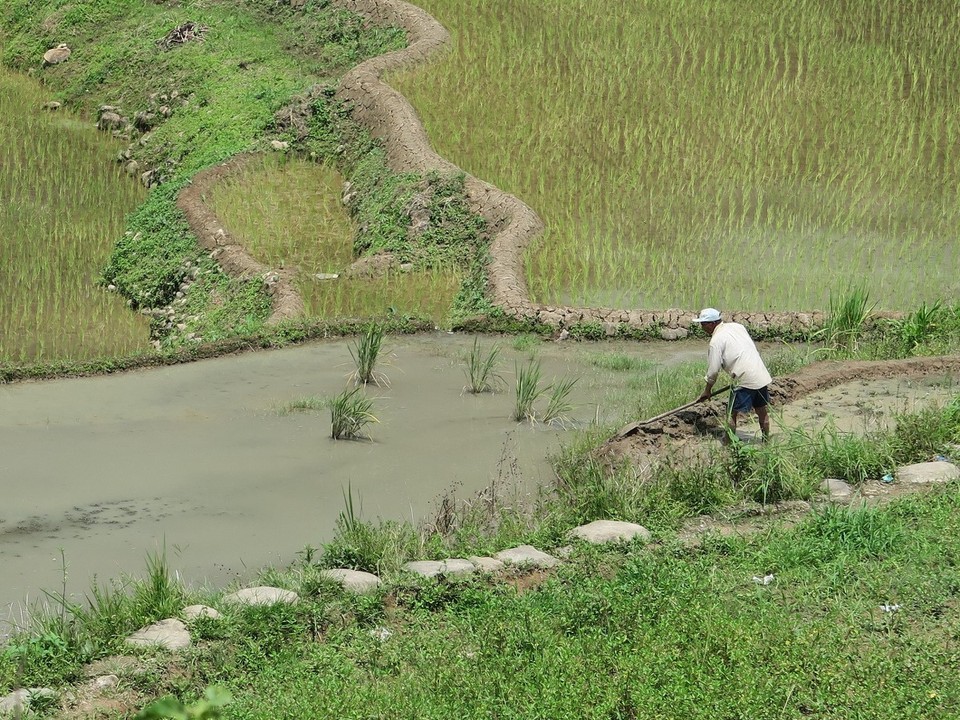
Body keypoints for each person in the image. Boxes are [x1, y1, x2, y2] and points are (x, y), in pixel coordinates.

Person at [691, 308, 772, 440]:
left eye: (703, 324)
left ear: (712, 324)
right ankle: (766, 441)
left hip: (743, 377)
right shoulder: (737, 326)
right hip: (759, 372)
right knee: (761, 410)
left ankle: (728, 443)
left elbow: (713, 371)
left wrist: (707, 391)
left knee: (731, 413)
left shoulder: (715, 341)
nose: (701, 328)